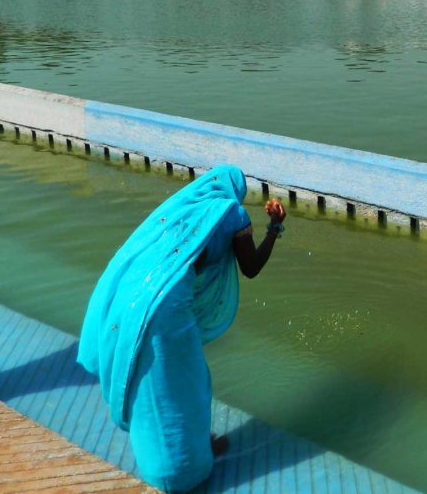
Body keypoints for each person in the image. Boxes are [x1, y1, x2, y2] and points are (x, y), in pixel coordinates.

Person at [77, 165, 286, 492]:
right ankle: (187, 471)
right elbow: (251, 268)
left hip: (133, 297)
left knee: (149, 382)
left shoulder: (186, 208)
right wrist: (275, 228)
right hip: (167, 306)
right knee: (186, 384)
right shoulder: (232, 212)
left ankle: (162, 463)